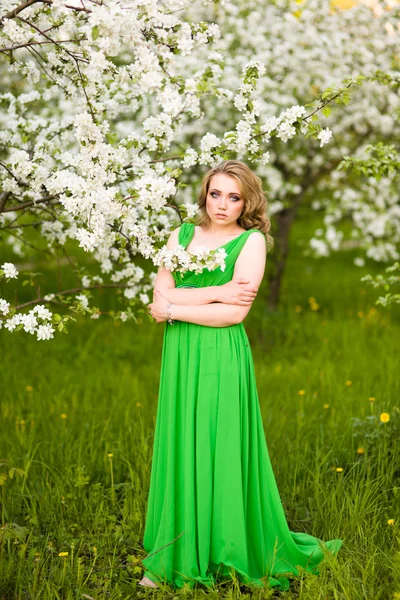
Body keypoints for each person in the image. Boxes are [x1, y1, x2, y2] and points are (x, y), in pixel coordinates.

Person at [139, 160, 343, 591]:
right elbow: (158, 293)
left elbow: (234, 313)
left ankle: (226, 548)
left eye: (234, 197)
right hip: (180, 354)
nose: (223, 204)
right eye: (216, 194)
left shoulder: (251, 242)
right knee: (182, 441)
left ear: (247, 201)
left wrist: (176, 308)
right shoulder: (181, 235)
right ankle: (172, 553)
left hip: (218, 352)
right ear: (205, 194)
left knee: (218, 442)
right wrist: (215, 290)